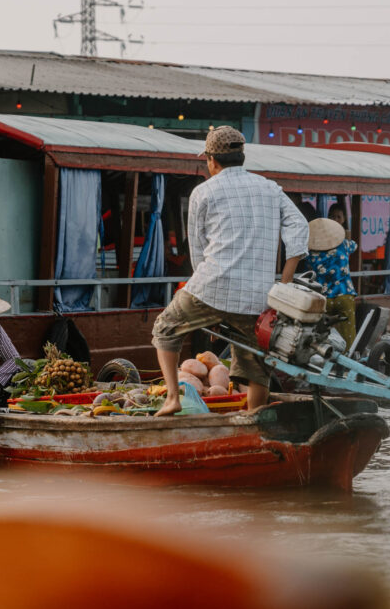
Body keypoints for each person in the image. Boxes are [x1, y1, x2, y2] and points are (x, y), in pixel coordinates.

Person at [151, 126, 309, 417]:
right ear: (242, 157)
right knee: (256, 358)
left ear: (212, 160)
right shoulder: (270, 188)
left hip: (211, 286)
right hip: (259, 296)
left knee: (165, 329)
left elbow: (198, 251)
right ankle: (256, 414)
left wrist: (212, 306)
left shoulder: (203, 192)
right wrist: (283, 286)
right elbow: (300, 227)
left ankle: (172, 398)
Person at [303, 218, 357, 349]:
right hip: (344, 295)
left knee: (322, 334)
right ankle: (348, 357)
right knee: (348, 333)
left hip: (324, 299)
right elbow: (354, 245)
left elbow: (307, 268)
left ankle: (326, 356)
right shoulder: (344, 245)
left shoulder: (311, 254)